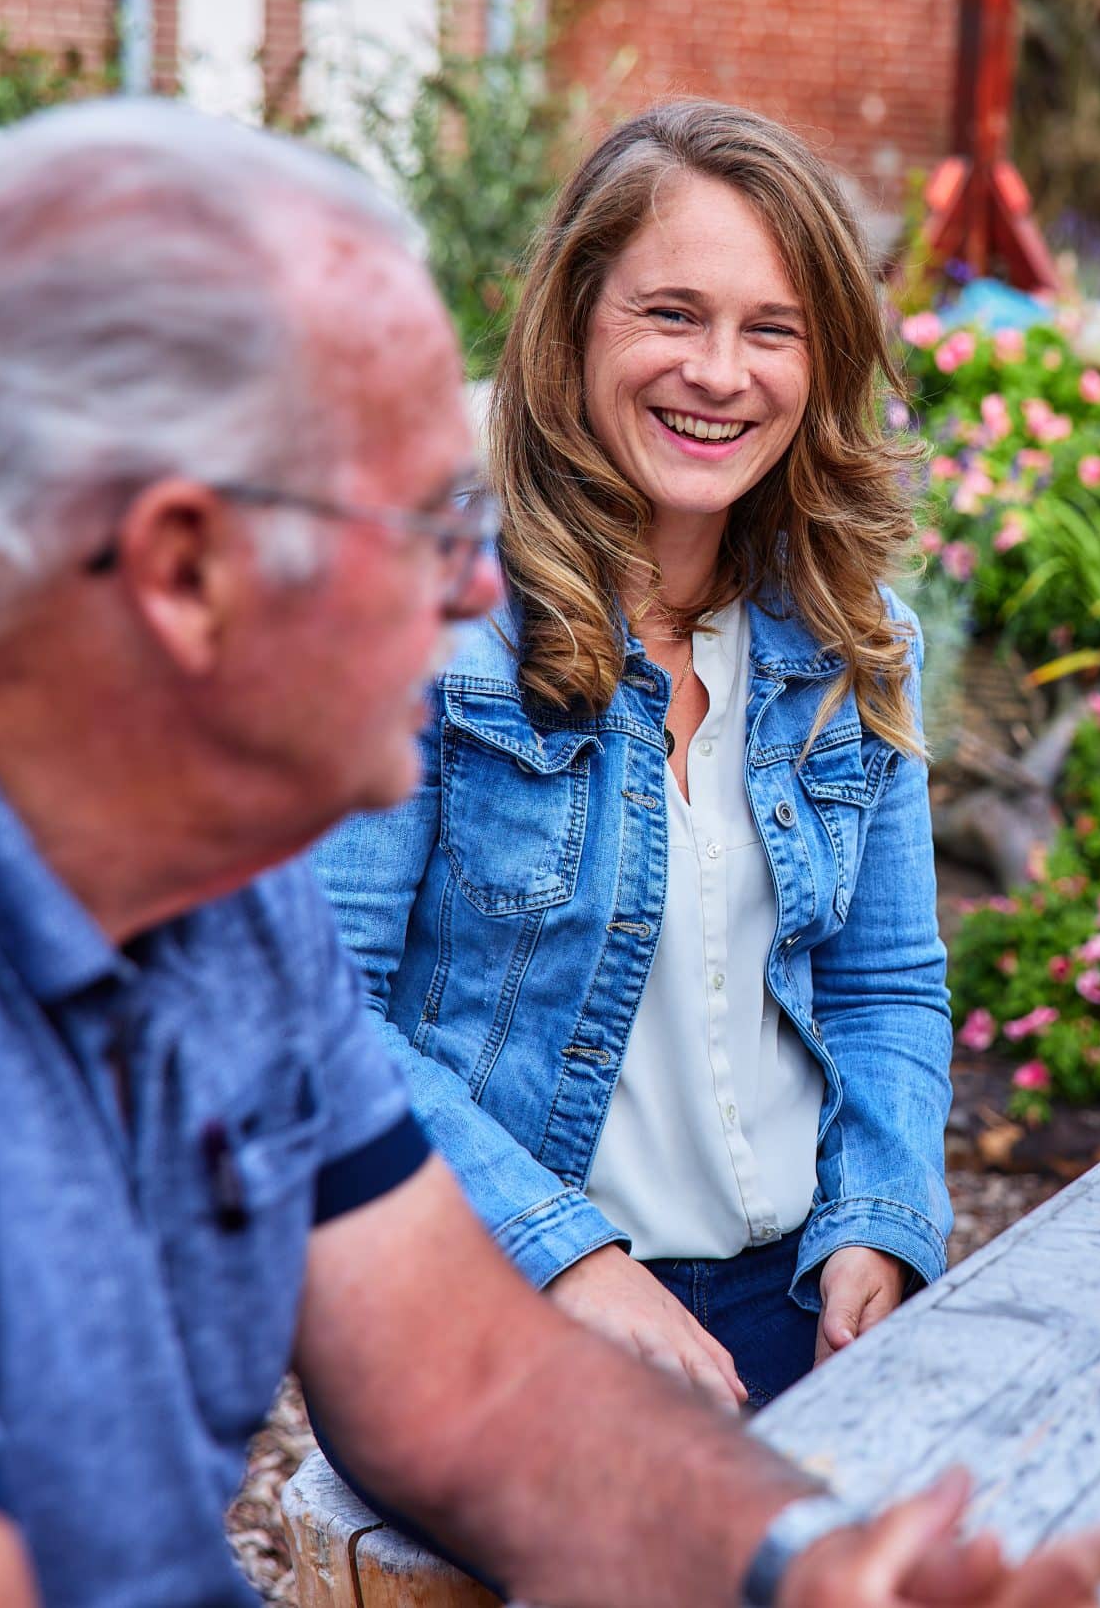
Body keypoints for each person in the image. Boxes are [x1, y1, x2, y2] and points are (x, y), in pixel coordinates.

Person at [0, 99, 1100, 1608]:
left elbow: (472, 1386)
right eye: (427, 526)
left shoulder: (218, 882)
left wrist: (795, 1567)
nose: (475, 591)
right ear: (188, 569)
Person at [314, 100, 950, 1414]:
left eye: (770, 329)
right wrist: (570, 1255)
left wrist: (882, 1221)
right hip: (477, 1297)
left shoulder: (855, 639)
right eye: (672, 314)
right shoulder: (424, 619)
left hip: (788, 1298)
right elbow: (317, 1016)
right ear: (574, 324)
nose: (721, 372)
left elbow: (885, 981)